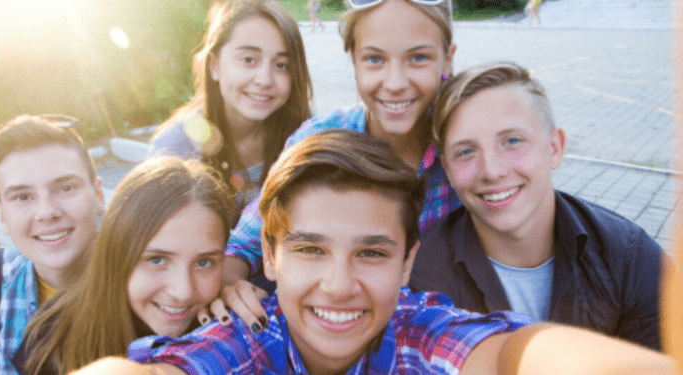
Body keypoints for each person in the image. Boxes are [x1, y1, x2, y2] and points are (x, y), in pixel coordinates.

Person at [71, 130, 676, 375]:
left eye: (371, 254)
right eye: (311, 249)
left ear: (408, 263)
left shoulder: (420, 332)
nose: (338, 285)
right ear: (271, 258)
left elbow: (510, 356)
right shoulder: (247, 339)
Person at [221, 0, 460, 325]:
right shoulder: (320, 137)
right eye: (374, 59)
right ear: (353, 61)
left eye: (418, 58)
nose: (395, 83)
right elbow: (256, 232)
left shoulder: (465, 145)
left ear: (448, 58)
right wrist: (229, 283)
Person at [409, 61, 663, 350]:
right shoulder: (422, 278)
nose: (492, 170)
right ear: (449, 170)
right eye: (466, 151)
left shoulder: (628, 257)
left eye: (512, 141)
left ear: (554, 148)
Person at [13, 156, 233, 375]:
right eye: (157, 260)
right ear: (116, 252)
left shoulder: (238, 331)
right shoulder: (54, 340)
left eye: (204, 263)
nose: (183, 292)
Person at [0, 115, 106, 374]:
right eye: (23, 196)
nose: (46, 212)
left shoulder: (152, 289)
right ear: (2, 215)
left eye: (65, 188)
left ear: (98, 196)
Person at [147, 0, 312, 223]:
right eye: (248, 60)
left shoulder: (304, 137)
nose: (264, 79)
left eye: (281, 65)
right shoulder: (174, 150)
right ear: (214, 66)